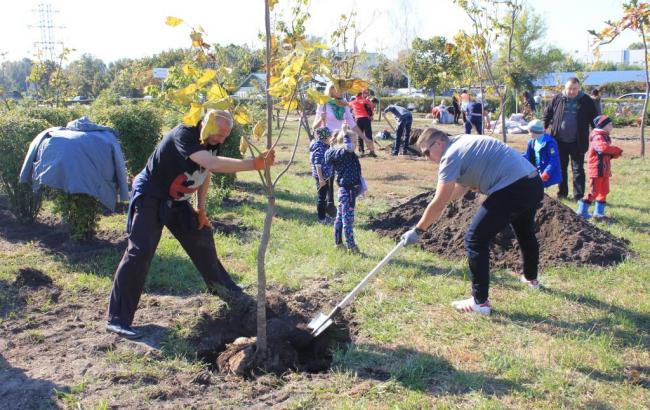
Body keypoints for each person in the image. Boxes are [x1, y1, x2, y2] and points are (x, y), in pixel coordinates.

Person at [106, 110, 276, 339]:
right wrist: (254, 164)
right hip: (151, 196)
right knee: (140, 251)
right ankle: (118, 319)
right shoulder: (185, 132)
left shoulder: (212, 139)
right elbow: (211, 163)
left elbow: (204, 172)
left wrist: (201, 209)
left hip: (177, 200)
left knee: (201, 236)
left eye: (227, 135)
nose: (223, 139)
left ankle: (225, 290)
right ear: (205, 124)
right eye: (220, 134)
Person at [400, 128, 543, 315]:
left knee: (475, 239)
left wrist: (418, 230)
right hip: (532, 183)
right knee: (524, 231)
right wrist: (439, 204)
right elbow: (458, 191)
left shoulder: (449, 156)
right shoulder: (463, 141)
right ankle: (531, 279)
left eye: (427, 152)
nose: (427, 157)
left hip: (512, 189)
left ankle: (480, 302)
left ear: (439, 143)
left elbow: (440, 200)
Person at [543, 77, 598, 200]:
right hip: (559, 141)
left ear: (579, 88)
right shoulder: (557, 99)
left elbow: (595, 119)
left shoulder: (586, 100)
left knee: (578, 169)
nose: (572, 91)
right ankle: (562, 193)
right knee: (561, 168)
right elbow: (547, 115)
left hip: (578, 141)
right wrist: (542, 128)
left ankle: (578, 196)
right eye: (569, 89)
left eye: (574, 89)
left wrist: (597, 134)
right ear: (565, 88)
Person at [576, 115, 623, 219]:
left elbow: (604, 153)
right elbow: (602, 148)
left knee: (604, 191)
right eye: (610, 124)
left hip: (604, 169)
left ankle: (599, 213)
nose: (612, 126)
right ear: (603, 125)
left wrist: (613, 155)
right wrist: (617, 150)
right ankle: (581, 211)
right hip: (597, 169)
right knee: (594, 192)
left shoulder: (604, 136)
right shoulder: (597, 136)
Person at [313, 82, 377, 158]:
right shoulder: (323, 102)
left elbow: (352, 123)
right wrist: (321, 119)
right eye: (339, 88)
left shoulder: (343, 103)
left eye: (342, 89)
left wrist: (365, 139)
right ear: (331, 89)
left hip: (340, 142)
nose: (342, 91)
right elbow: (314, 127)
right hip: (326, 142)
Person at [325, 128, 363, 253]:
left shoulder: (344, 153)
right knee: (348, 220)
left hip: (346, 190)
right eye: (354, 141)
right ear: (347, 142)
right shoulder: (343, 153)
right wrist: (345, 133)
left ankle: (338, 243)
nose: (356, 143)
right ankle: (351, 246)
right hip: (348, 192)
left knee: (340, 217)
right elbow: (348, 147)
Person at [523, 119, 562, 189]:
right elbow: (527, 156)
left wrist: (547, 172)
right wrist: (517, 157)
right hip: (536, 170)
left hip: (545, 171)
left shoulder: (549, 142)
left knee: (540, 189)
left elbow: (553, 160)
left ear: (535, 132)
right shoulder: (531, 142)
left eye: (529, 132)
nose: (529, 134)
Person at [310, 126, 335, 224]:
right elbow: (317, 164)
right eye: (330, 136)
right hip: (321, 177)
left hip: (325, 176)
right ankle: (321, 219)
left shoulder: (325, 145)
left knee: (324, 196)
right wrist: (320, 179)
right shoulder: (319, 147)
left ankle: (324, 215)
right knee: (322, 197)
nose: (331, 138)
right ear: (324, 138)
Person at [348, 89, 375, 156]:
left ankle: (361, 151)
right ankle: (372, 151)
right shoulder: (365, 101)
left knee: (360, 135)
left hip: (358, 120)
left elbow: (348, 106)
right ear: (361, 94)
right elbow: (371, 106)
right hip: (366, 119)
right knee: (368, 135)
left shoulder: (353, 102)